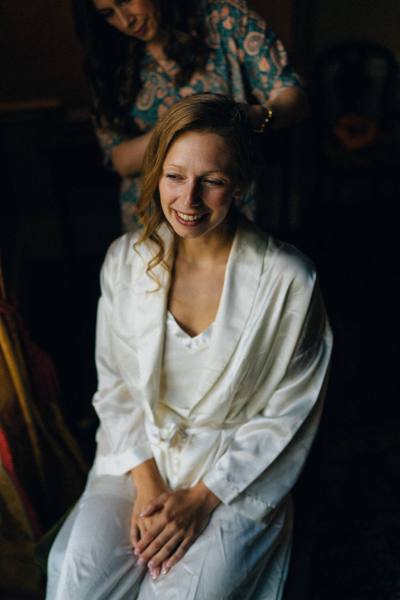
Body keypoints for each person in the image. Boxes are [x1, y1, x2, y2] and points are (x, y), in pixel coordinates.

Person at [46, 94, 332, 599]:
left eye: (213, 181)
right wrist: (148, 484)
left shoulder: (290, 280)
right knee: (75, 579)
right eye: (175, 176)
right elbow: (114, 384)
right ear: (156, 173)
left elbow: (290, 411)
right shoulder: (126, 260)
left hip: (234, 471)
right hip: (138, 453)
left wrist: (201, 499)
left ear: (240, 183)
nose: (188, 200)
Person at [75, 0, 308, 230]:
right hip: (153, 216)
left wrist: (258, 115)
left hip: (228, 203)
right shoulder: (107, 57)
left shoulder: (225, 18)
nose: (126, 21)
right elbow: (121, 160)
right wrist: (190, 121)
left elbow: (292, 96)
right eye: (108, 14)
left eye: (126, 1)